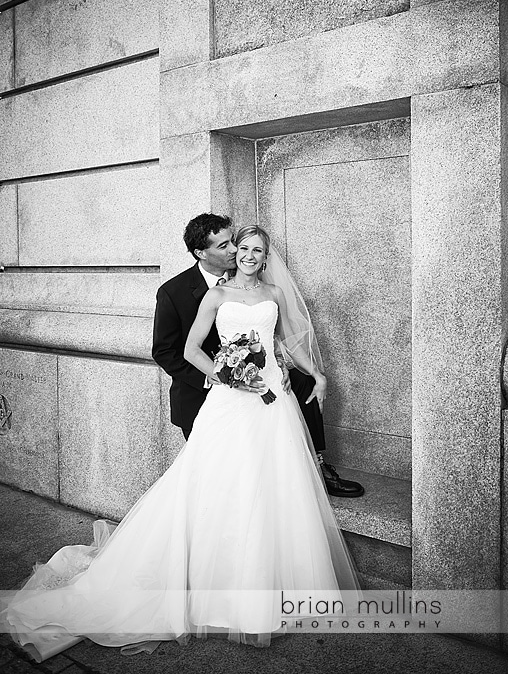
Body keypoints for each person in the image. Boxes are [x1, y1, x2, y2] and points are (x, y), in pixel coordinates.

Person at [1, 225, 361, 660]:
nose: (246, 254)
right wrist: (225, 374)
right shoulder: (215, 296)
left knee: (274, 484)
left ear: (266, 257)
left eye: (255, 249)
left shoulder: (275, 295)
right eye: (241, 247)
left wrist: (316, 374)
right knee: (215, 484)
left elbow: (285, 341)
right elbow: (190, 349)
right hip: (230, 400)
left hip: (272, 402)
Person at [152, 213, 363, 497]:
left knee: (300, 383)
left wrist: (288, 363)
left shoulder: (269, 290)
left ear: (265, 258)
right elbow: (168, 351)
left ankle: (316, 463)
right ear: (202, 253)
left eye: (235, 244)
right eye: (227, 246)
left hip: (263, 375)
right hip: (201, 386)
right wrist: (223, 376)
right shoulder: (175, 292)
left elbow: (276, 333)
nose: (234, 251)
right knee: (222, 477)